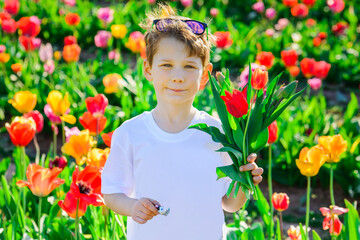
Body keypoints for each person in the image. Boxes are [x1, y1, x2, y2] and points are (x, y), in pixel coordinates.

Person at [101, 4, 264, 240]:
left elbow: (230, 204)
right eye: (166, 65)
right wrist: (132, 207)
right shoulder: (131, 133)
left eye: (189, 66)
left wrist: (244, 180)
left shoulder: (218, 133)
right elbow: (112, 193)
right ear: (148, 69)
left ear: (205, 75)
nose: (178, 76)